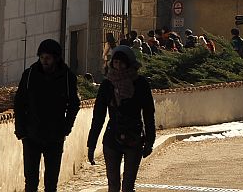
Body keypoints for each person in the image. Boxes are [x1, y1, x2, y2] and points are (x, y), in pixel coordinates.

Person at [14, 39, 81, 192]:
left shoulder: (66, 77)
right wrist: (21, 131)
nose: (44, 61)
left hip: (55, 135)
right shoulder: (30, 75)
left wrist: (66, 128)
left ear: (56, 59)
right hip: (31, 135)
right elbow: (19, 103)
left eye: (48, 58)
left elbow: (74, 104)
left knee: (51, 183)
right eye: (42, 57)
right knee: (31, 182)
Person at [88, 45, 156, 192]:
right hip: (112, 137)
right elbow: (98, 116)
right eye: (115, 62)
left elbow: (149, 113)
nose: (118, 66)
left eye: (122, 62)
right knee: (113, 185)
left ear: (129, 63)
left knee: (128, 185)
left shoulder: (140, 84)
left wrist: (150, 141)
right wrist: (91, 144)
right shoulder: (107, 85)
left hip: (134, 136)